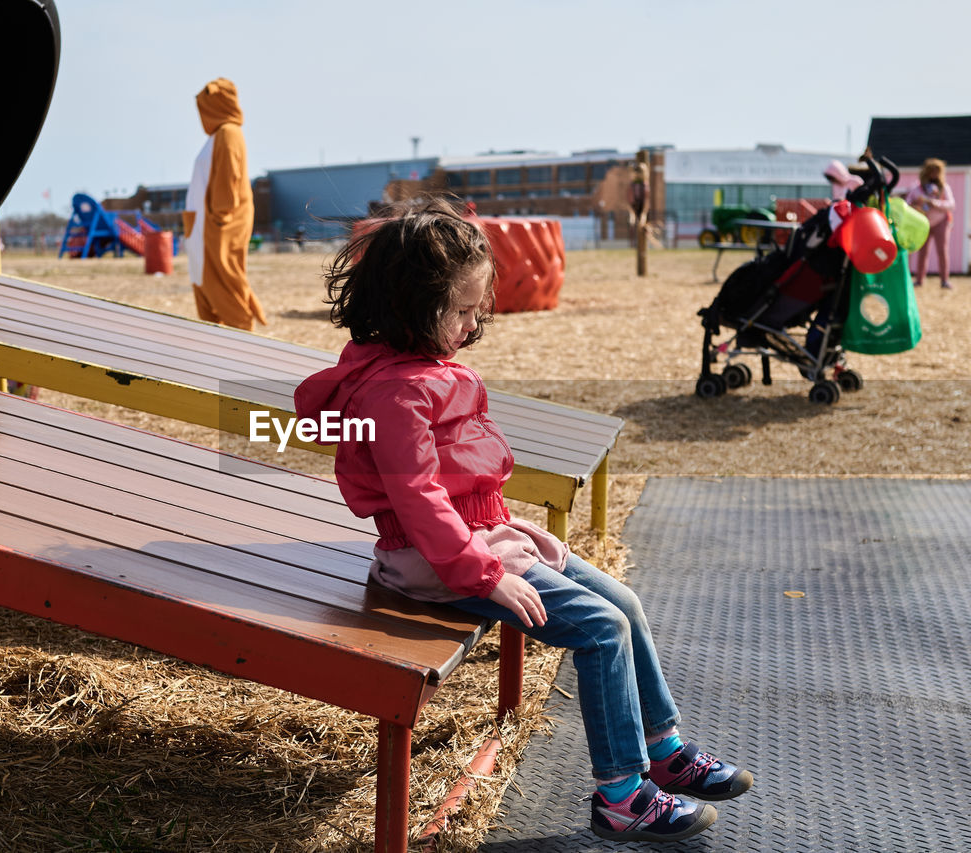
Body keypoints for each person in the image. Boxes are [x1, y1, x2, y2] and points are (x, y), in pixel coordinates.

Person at [294, 200, 753, 844]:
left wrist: (507, 535)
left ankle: (662, 747)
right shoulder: (394, 393)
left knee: (623, 600)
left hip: (473, 543)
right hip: (435, 563)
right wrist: (483, 574)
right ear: (408, 306)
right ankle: (621, 794)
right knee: (600, 628)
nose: (472, 323)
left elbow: (462, 480)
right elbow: (421, 499)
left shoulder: (425, 371)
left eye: (475, 308)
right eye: (460, 310)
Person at [182, 78, 267, 331]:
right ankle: (215, 345)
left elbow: (228, 178)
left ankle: (243, 342)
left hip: (218, 226)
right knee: (205, 283)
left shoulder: (229, 133)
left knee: (224, 283)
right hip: (203, 227)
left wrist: (220, 217)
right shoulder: (220, 134)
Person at [903, 158, 955, 289]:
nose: (934, 174)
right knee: (922, 251)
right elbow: (908, 203)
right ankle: (919, 279)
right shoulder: (917, 188)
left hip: (940, 221)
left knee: (942, 251)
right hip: (923, 223)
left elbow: (951, 204)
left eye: (937, 171)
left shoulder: (944, 188)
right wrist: (916, 205)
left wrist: (934, 203)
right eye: (931, 171)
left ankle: (944, 280)